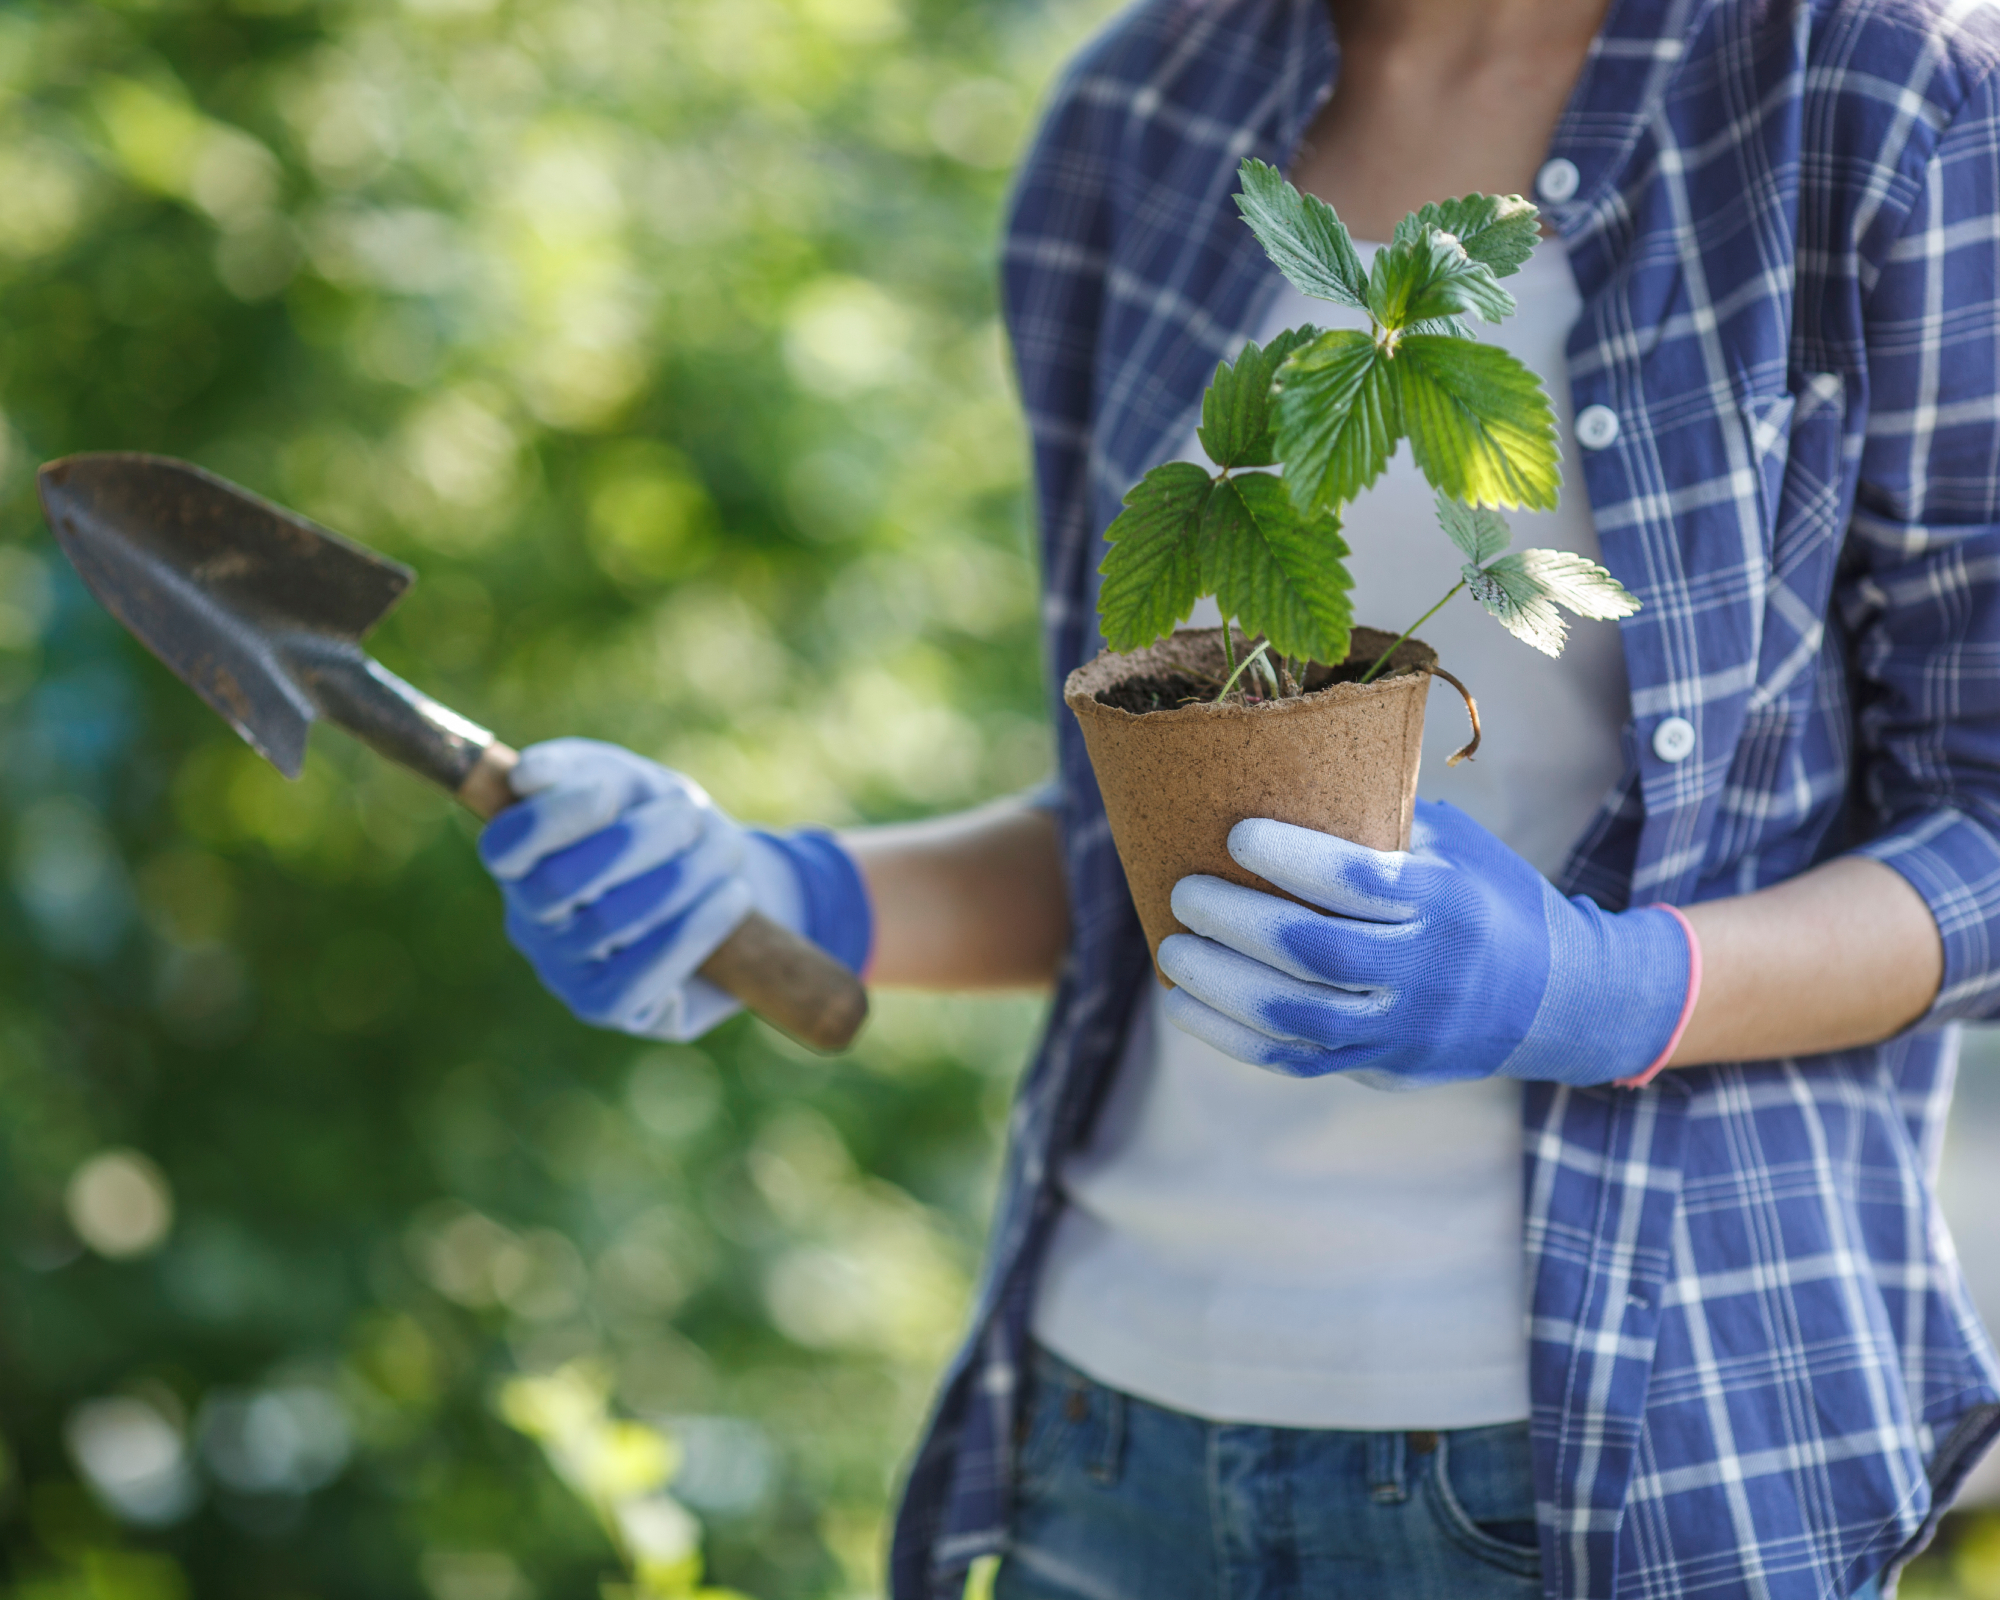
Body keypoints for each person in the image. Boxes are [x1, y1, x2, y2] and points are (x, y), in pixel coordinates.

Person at [477, 0, 2000, 1592]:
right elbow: (1145, 838)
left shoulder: (1886, 104)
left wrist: (1608, 989)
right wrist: (792, 897)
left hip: (1616, 1460)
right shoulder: (1143, 111)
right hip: (1110, 1427)